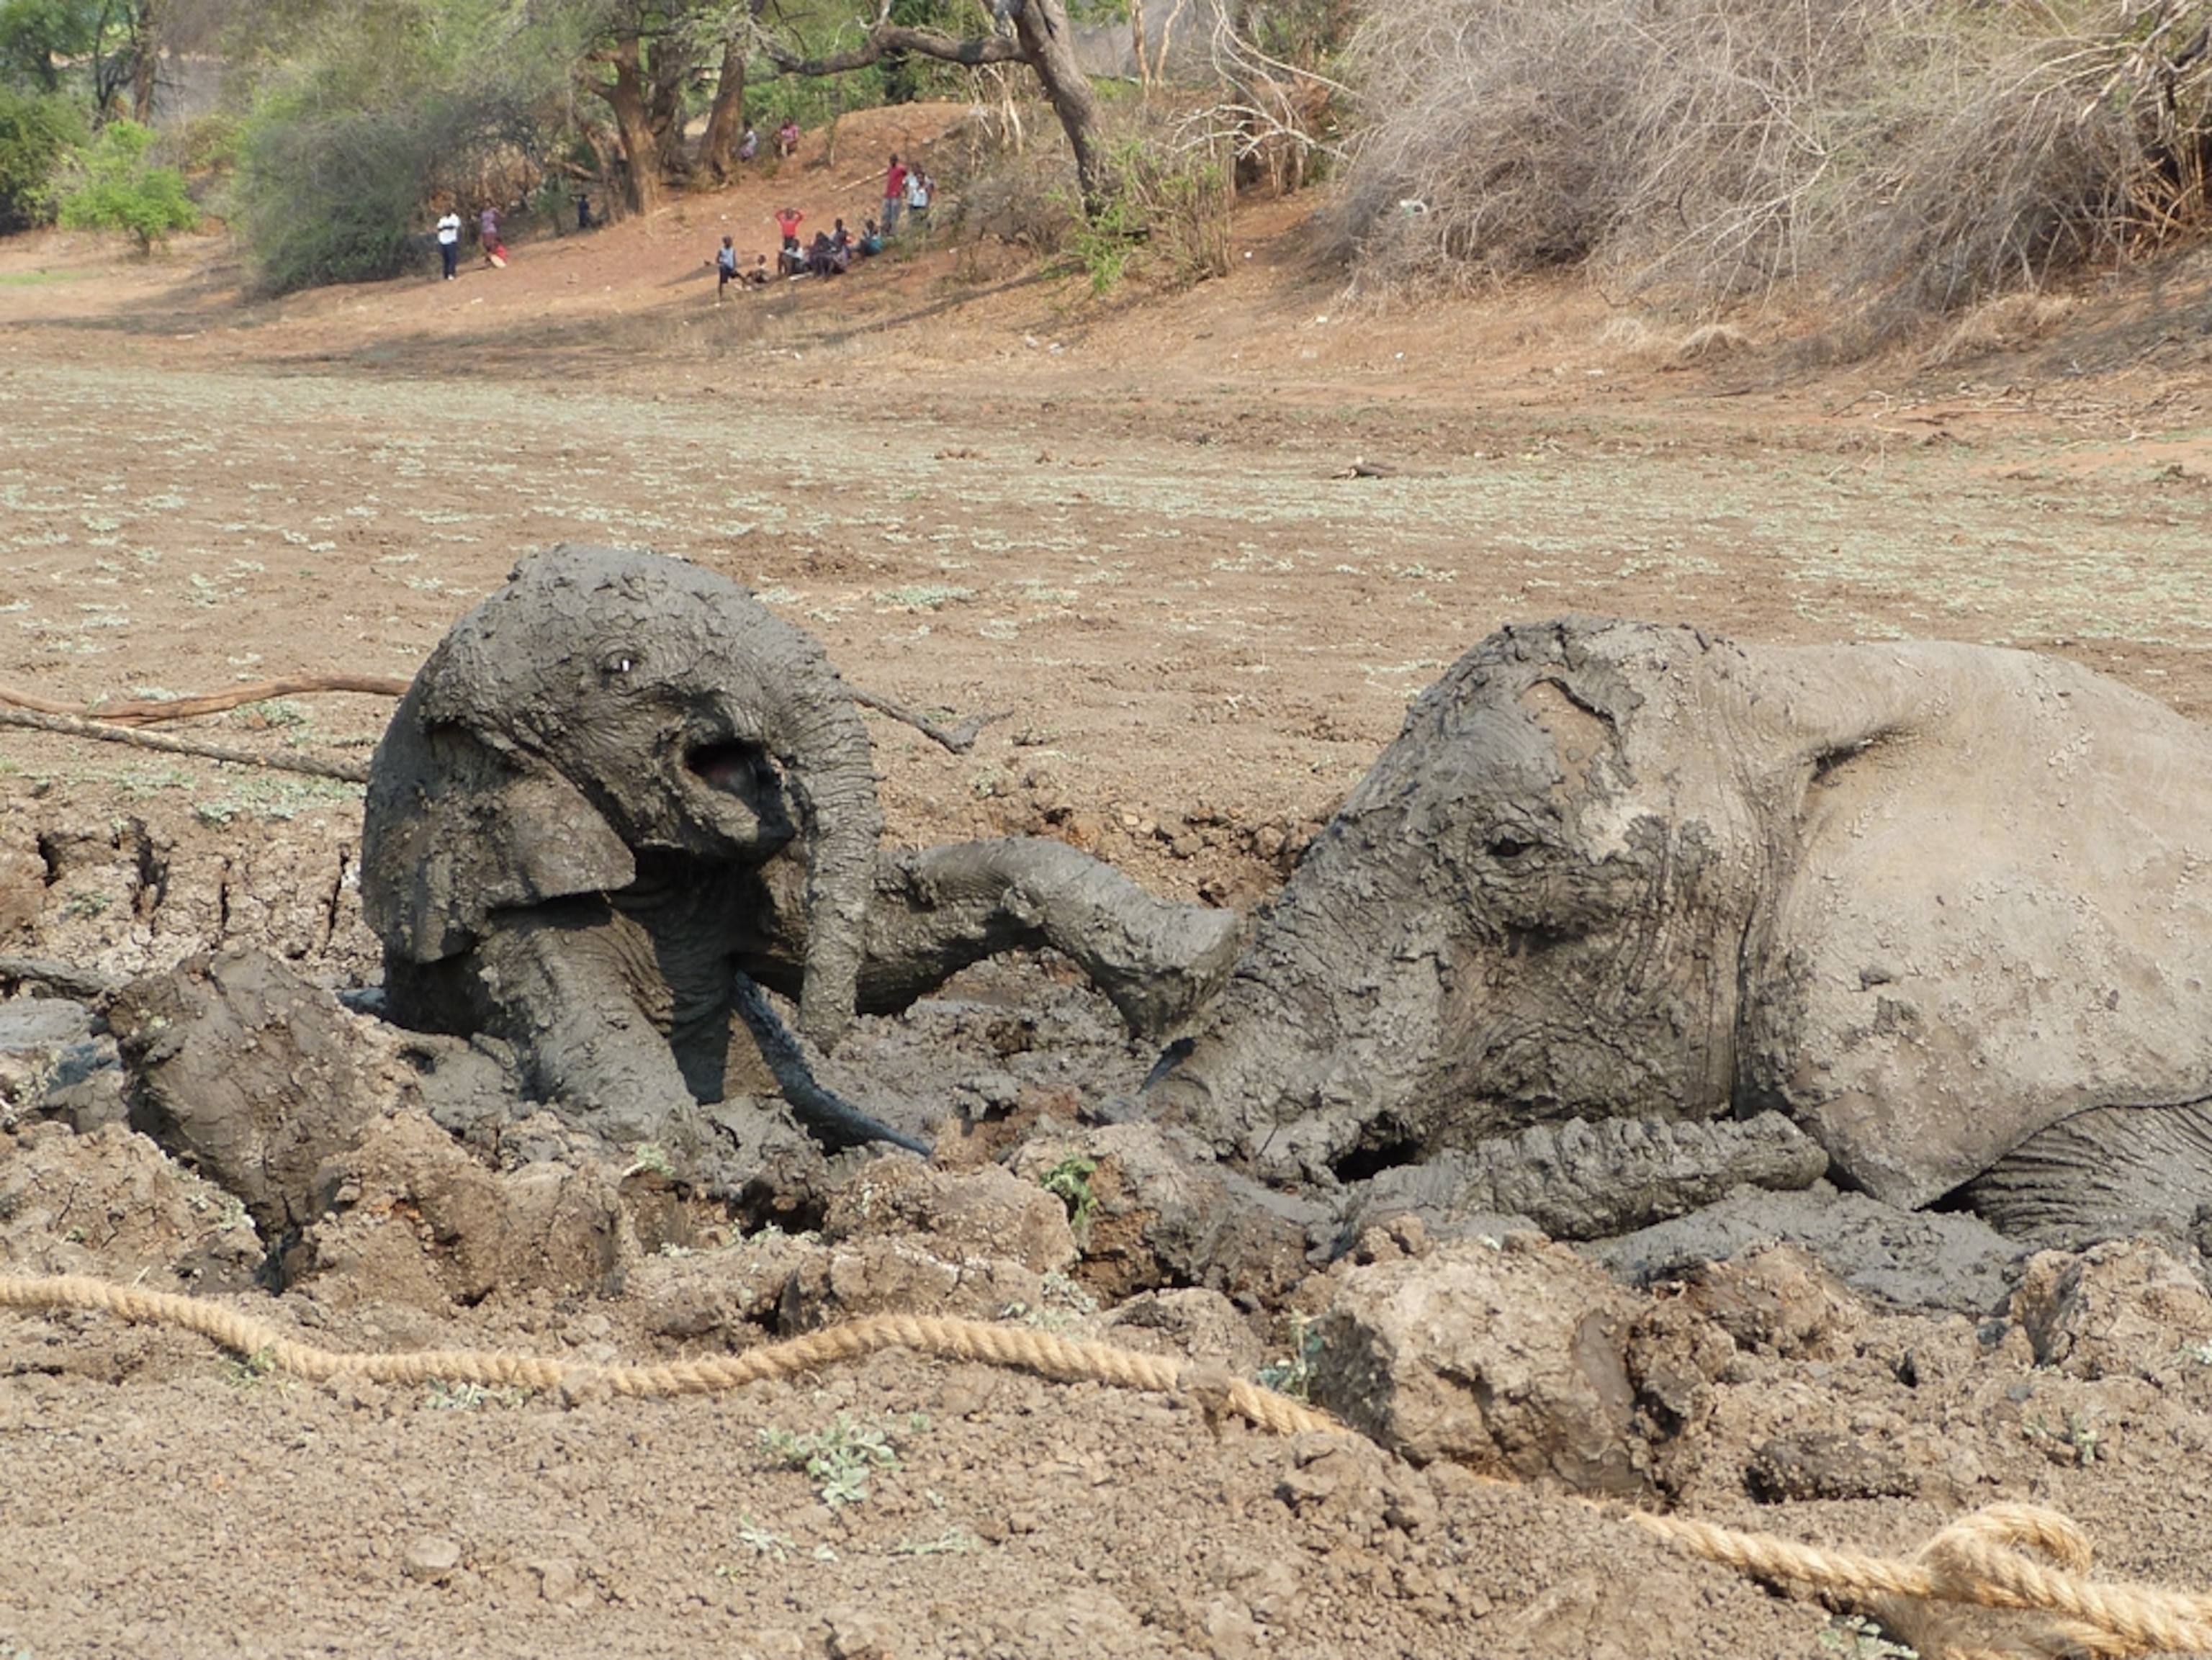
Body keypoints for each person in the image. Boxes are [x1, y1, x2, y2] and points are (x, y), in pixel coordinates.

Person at [881, 153, 907, 237]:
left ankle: (893, 232)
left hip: (895, 194)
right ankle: (885, 232)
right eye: (890, 161)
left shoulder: (901, 169)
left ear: (896, 161)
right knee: (885, 214)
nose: (891, 162)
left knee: (894, 214)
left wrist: (902, 189)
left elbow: (906, 178)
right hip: (888, 194)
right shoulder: (890, 169)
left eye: (893, 161)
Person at [774, 205, 804, 274]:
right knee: (786, 254)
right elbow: (776, 215)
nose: (789, 214)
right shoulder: (783, 220)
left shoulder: (794, 220)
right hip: (786, 239)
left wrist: (795, 211)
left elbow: (801, 216)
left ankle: (791, 269)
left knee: (791, 253)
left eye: (790, 213)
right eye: (788, 213)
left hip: (792, 238)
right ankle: (786, 269)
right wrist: (782, 210)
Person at [904, 166, 931, 235]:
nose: (919, 180)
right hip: (915, 206)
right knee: (914, 222)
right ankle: (915, 235)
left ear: (923, 178)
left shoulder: (926, 187)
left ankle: (925, 235)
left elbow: (929, 197)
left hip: (922, 207)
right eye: (918, 178)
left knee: (923, 222)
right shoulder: (916, 187)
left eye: (920, 178)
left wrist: (927, 206)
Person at [436, 207, 461, 280]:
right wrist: (446, 227)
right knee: (445, 258)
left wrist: (445, 227)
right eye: (445, 210)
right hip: (443, 241)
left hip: (451, 240)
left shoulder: (455, 218)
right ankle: (445, 274)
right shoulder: (442, 219)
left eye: (447, 210)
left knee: (452, 258)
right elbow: (439, 228)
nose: (446, 211)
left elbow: (454, 226)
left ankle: (451, 273)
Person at [715, 234, 738, 302]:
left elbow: (734, 259)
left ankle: (747, 286)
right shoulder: (721, 250)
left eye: (731, 241)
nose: (731, 243)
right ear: (725, 242)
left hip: (731, 267)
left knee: (739, 276)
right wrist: (722, 262)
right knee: (722, 282)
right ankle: (720, 295)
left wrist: (734, 267)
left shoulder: (733, 250)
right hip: (725, 267)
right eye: (729, 241)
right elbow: (717, 259)